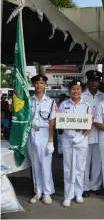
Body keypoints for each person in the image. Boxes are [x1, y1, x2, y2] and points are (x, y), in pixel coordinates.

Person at [59, 80, 92, 207]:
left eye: (78, 89)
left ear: (81, 90)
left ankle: (78, 193)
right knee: (68, 168)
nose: (76, 91)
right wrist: (69, 132)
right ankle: (68, 195)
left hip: (82, 138)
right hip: (68, 138)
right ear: (70, 90)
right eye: (73, 89)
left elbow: (90, 124)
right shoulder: (63, 104)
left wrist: (81, 136)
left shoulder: (87, 105)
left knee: (80, 168)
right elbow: (60, 122)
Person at [27, 74, 57, 205]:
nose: (39, 85)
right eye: (37, 83)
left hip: (44, 134)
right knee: (35, 165)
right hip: (31, 134)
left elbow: (52, 122)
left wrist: (51, 140)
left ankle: (47, 192)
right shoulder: (29, 101)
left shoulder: (50, 102)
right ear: (34, 85)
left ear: (45, 85)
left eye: (41, 83)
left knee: (45, 165)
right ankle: (38, 191)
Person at [81, 70, 104, 197]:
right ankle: (85, 186)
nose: (94, 83)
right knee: (84, 161)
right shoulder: (81, 95)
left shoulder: (103, 96)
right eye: (91, 80)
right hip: (84, 134)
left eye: (96, 80)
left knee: (98, 161)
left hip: (99, 133)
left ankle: (95, 186)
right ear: (88, 81)